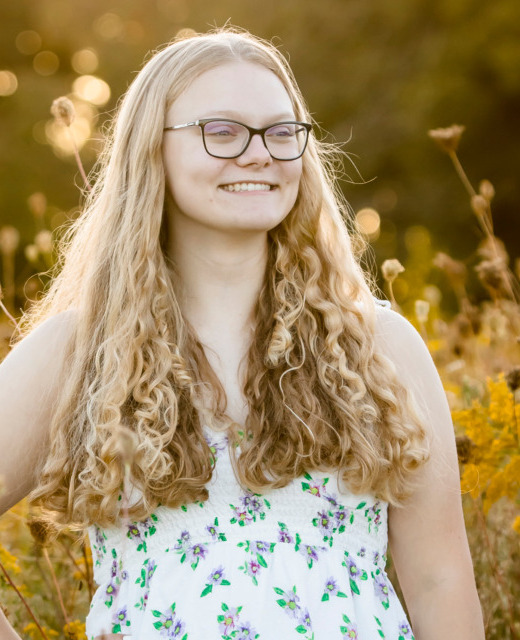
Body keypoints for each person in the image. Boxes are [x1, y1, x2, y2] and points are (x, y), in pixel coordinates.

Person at [0, 27, 485, 640]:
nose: (260, 153)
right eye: (221, 131)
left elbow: (440, 578)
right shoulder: (81, 349)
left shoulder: (381, 345)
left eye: (282, 133)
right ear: (153, 150)